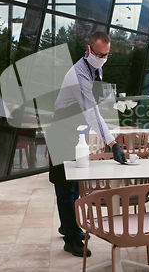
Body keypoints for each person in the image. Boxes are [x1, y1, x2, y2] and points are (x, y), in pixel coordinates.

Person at [46, 31, 127, 257]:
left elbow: (95, 105)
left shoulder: (96, 68)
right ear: (88, 49)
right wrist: (113, 143)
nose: (102, 58)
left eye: (106, 55)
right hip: (61, 131)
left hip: (74, 132)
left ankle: (68, 226)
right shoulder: (79, 74)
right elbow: (91, 113)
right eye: (99, 54)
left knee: (74, 186)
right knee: (64, 186)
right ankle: (71, 239)